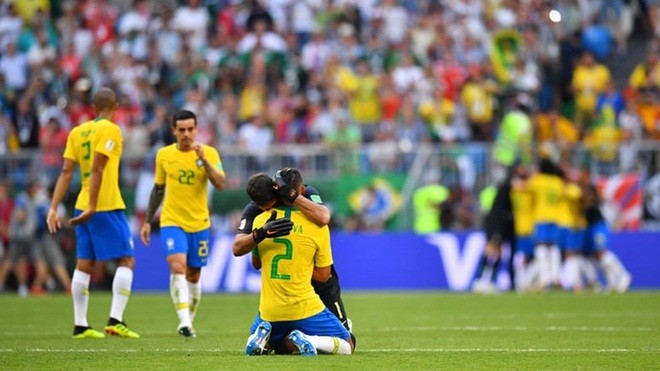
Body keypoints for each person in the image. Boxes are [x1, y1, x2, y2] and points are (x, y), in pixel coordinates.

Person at [46, 87, 139, 339]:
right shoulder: (110, 129)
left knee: (84, 263)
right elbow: (98, 168)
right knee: (127, 259)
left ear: (94, 107)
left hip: (81, 202)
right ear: (115, 105)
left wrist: (53, 208)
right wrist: (93, 206)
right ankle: (115, 320)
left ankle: (80, 325)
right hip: (104, 204)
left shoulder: (77, 132)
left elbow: (66, 172)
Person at [234, 172, 354, 356]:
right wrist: (260, 234)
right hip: (306, 295)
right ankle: (309, 338)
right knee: (348, 342)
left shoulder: (261, 219)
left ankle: (262, 340)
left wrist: (260, 235)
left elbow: (256, 263)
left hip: (276, 302)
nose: (267, 209)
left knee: (280, 346)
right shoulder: (315, 226)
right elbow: (323, 274)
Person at [139, 109, 225, 338]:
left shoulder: (209, 153)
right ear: (174, 130)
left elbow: (220, 183)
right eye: (182, 130)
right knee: (177, 266)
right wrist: (148, 221)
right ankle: (184, 321)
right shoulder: (164, 155)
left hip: (199, 223)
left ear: (196, 129)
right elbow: (158, 189)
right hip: (172, 221)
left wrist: (204, 162)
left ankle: (189, 322)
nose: (186, 134)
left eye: (190, 129)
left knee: (194, 275)